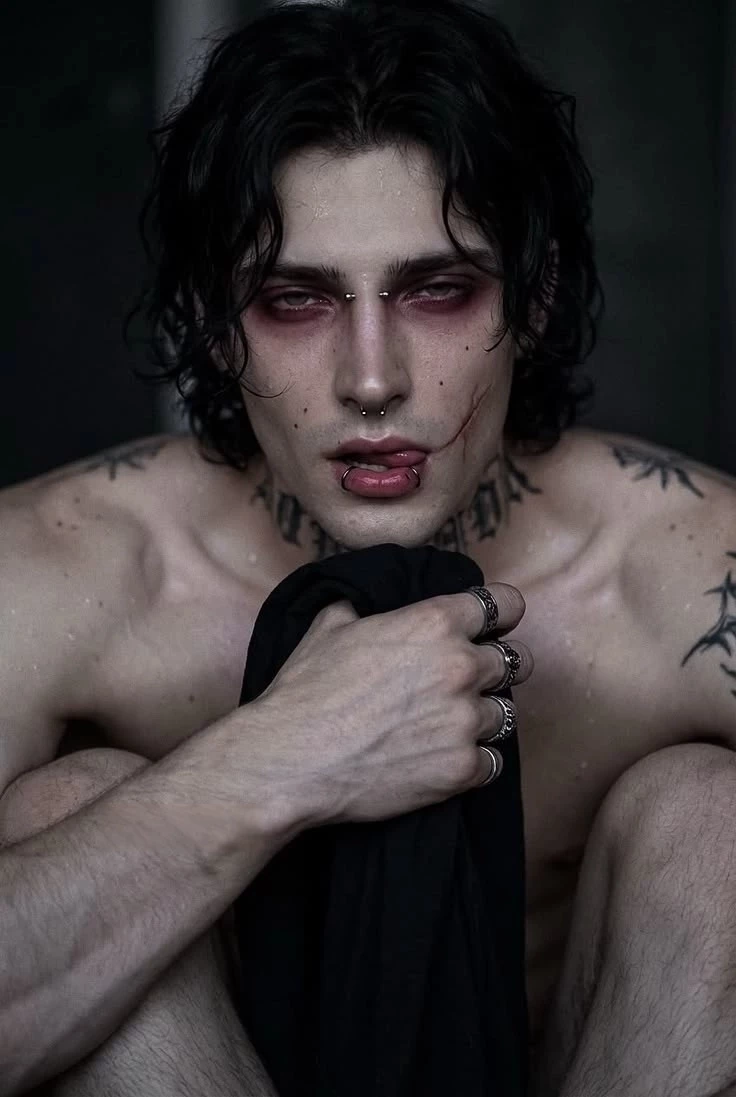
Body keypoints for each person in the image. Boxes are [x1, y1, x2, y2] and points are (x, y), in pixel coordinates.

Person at [1, 0, 734, 1093]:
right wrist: (274, 760)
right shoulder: (61, 571)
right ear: (212, 320)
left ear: (533, 297)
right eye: (294, 300)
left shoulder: (685, 563)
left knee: (713, 822)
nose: (373, 378)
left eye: (437, 290)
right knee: (70, 810)